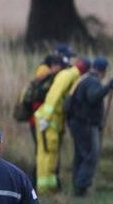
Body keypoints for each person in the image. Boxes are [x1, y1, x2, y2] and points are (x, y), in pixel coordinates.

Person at [32, 49, 86, 193]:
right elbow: (53, 97)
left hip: (51, 121)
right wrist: (46, 119)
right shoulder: (69, 76)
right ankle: (44, 188)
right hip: (49, 122)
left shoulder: (68, 75)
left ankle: (49, 186)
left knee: (49, 154)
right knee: (47, 154)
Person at [66, 57, 113, 197]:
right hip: (86, 125)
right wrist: (109, 86)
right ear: (103, 70)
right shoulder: (92, 81)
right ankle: (81, 187)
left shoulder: (83, 79)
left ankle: (77, 186)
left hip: (77, 123)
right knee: (90, 155)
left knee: (80, 155)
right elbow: (93, 97)